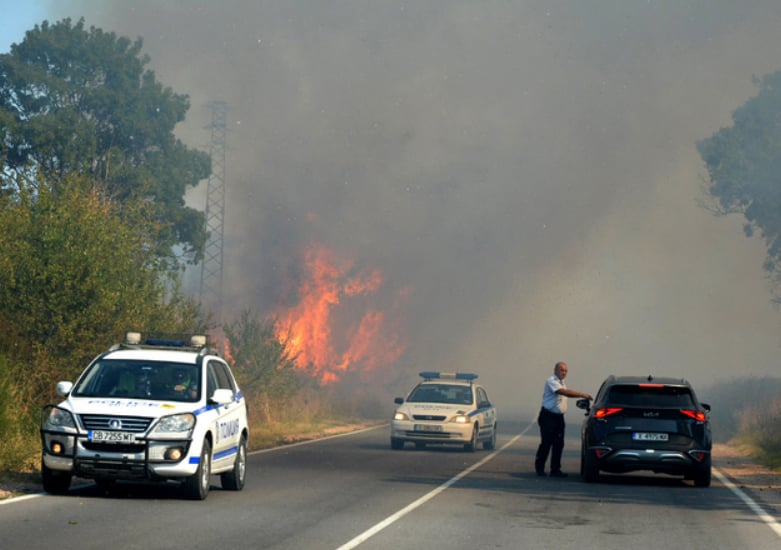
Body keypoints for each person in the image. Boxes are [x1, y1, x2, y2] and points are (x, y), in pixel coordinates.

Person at [534, 361, 592, 478]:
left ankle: (555, 469)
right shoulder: (551, 381)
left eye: (566, 371)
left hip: (559, 418)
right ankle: (539, 468)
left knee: (559, 444)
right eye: (561, 370)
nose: (564, 373)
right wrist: (582, 394)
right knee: (546, 443)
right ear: (555, 370)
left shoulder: (562, 382)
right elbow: (563, 392)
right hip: (548, 417)